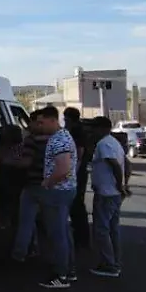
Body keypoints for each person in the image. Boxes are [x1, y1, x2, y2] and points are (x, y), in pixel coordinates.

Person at [35, 106, 79, 288]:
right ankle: (69, 270)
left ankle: (61, 276)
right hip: (64, 190)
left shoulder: (59, 140)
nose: (39, 126)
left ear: (53, 120)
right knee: (64, 232)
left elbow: (63, 169)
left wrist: (48, 183)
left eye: (42, 122)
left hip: (58, 192)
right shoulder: (62, 136)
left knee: (57, 234)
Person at [88, 117, 129, 277]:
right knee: (112, 229)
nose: (91, 131)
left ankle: (109, 264)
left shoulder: (104, 144)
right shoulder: (114, 142)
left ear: (102, 128)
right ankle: (114, 261)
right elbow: (127, 165)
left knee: (101, 230)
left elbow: (115, 165)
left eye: (94, 128)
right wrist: (124, 185)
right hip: (113, 193)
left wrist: (119, 185)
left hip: (107, 193)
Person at [10, 111, 49, 263]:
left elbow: (26, 162)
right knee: (53, 224)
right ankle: (54, 255)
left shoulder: (32, 140)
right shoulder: (55, 138)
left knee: (26, 222)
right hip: (50, 185)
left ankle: (20, 254)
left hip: (33, 185)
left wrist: (9, 161)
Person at [63, 107, 90, 249]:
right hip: (76, 172)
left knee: (77, 205)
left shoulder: (77, 131)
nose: (65, 121)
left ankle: (81, 237)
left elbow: (79, 153)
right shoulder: (75, 130)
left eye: (66, 119)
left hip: (76, 173)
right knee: (75, 205)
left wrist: (72, 173)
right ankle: (80, 236)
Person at [0, 123, 26, 230]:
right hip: (13, 183)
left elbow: (3, 160)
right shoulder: (20, 148)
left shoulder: (16, 149)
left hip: (12, 182)